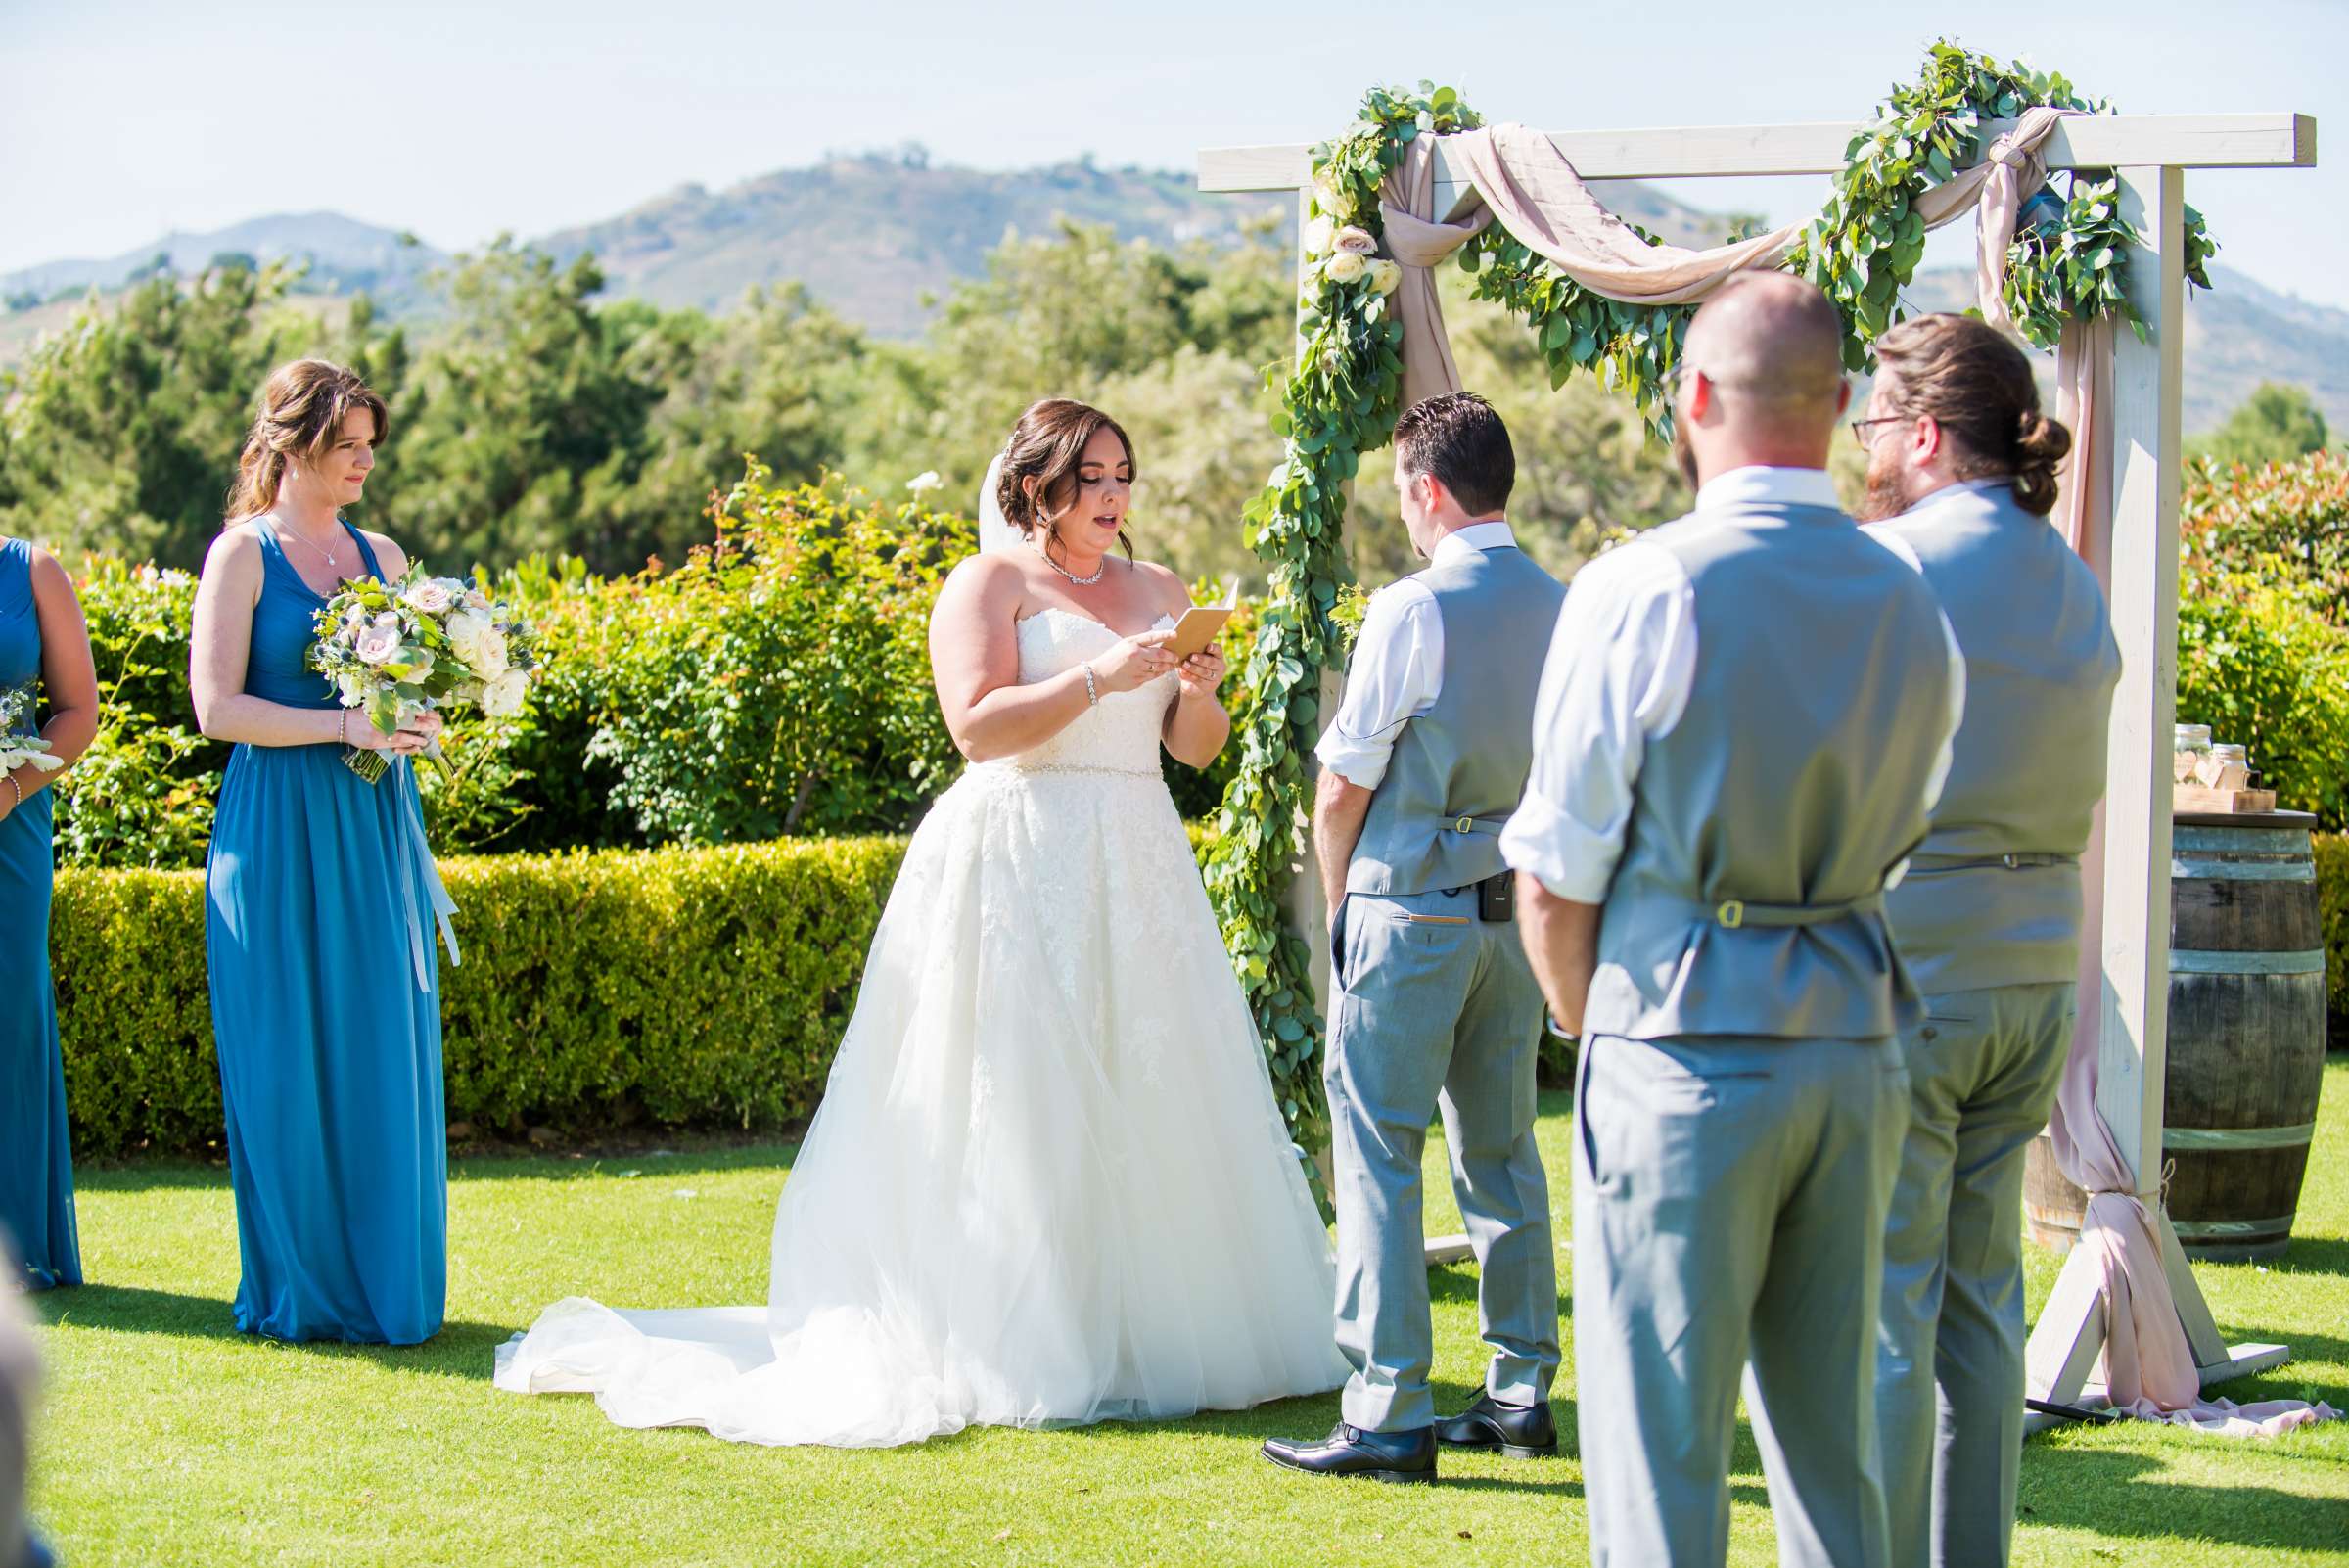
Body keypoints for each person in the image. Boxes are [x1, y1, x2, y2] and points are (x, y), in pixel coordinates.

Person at [496, 398, 1347, 1445]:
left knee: (1152, 1082)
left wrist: (1198, 686)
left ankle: (1147, 1326)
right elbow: (977, 729)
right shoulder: (986, 585)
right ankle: (1027, 1331)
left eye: (1124, 474)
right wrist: (1097, 674)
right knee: (1022, 1090)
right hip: (1021, 853)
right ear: (1038, 485)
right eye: (1092, 477)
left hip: (1137, 856)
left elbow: (1197, 751)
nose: (1115, 495)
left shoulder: (1162, 590)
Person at [1504, 273, 1964, 1568]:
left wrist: (1590, 1023)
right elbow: (1911, 812)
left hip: (1680, 1037)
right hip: (1857, 1039)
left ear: (1695, 397)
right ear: (1838, 410)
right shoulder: (1909, 595)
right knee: (1834, 1456)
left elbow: (1553, 872)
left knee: (1663, 1455)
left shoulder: (1642, 585)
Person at [1261, 392, 1564, 1485]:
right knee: (1504, 1154)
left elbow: (1345, 780)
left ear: (1428, 489)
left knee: (1381, 1153)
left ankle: (1388, 1407)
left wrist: (1342, 902)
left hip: (1413, 911)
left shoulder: (1412, 607)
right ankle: (1522, 1391)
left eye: (1399, 488)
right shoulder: (1569, 605)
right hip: (1511, 921)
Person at [1858, 314, 2119, 1568]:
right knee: (1980, 1301)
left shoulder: (1894, 567)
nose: (1864, 445)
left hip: (1917, 968)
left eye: (1871, 423)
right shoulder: (2071, 576)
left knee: (1884, 1310)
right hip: (2036, 971)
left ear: (1918, 433)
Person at [190, 359, 452, 1344]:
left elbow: (404, 691)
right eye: (349, 447)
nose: (365, 464)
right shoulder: (241, 556)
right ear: (293, 447)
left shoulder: (381, 553)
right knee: (286, 1053)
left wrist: (420, 723)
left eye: (370, 448)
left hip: (375, 824)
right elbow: (216, 709)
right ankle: (305, 1289)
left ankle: (391, 1286)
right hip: (276, 828)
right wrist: (342, 729)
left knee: (381, 1044)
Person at [0, 535, 96, 1293]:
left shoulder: (32, 572)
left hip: (10, 823)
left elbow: (76, 714)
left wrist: (4, 791)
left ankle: (13, 1242)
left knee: (9, 1018)